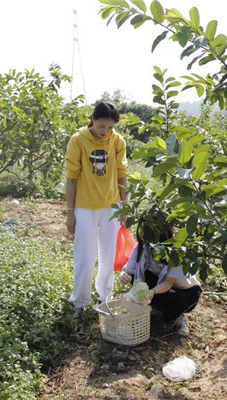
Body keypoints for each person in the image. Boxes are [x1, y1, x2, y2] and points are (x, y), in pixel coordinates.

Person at [65, 102, 128, 318]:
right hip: (85, 207)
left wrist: (124, 206)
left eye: (110, 128)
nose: (105, 132)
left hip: (111, 206)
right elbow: (71, 178)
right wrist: (70, 212)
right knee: (84, 255)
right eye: (102, 126)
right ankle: (79, 302)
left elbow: (122, 174)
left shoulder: (117, 141)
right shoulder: (78, 140)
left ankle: (105, 297)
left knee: (108, 255)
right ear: (93, 119)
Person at [119, 208, 202, 336]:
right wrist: (123, 275)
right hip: (162, 286)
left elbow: (168, 282)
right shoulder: (142, 247)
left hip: (185, 292)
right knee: (138, 277)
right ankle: (155, 309)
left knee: (173, 299)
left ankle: (178, 318)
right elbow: (129, 270)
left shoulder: (175, 252)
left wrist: (152, 292)